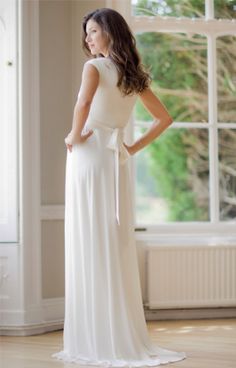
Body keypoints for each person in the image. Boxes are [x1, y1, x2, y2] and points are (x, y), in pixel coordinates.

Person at [52, 7, 186, 367]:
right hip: (115, 161)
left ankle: (95, 337)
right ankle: (115, 333)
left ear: (110, 32)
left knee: (90, 239)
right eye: (86, 33)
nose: (87, 39)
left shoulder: (93, 68)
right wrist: (130, 147)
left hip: (90, 156)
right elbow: (165, 119)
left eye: (93, 31)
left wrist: (74, 135)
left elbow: (83, 104)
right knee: (112, 240)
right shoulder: (132, 74)